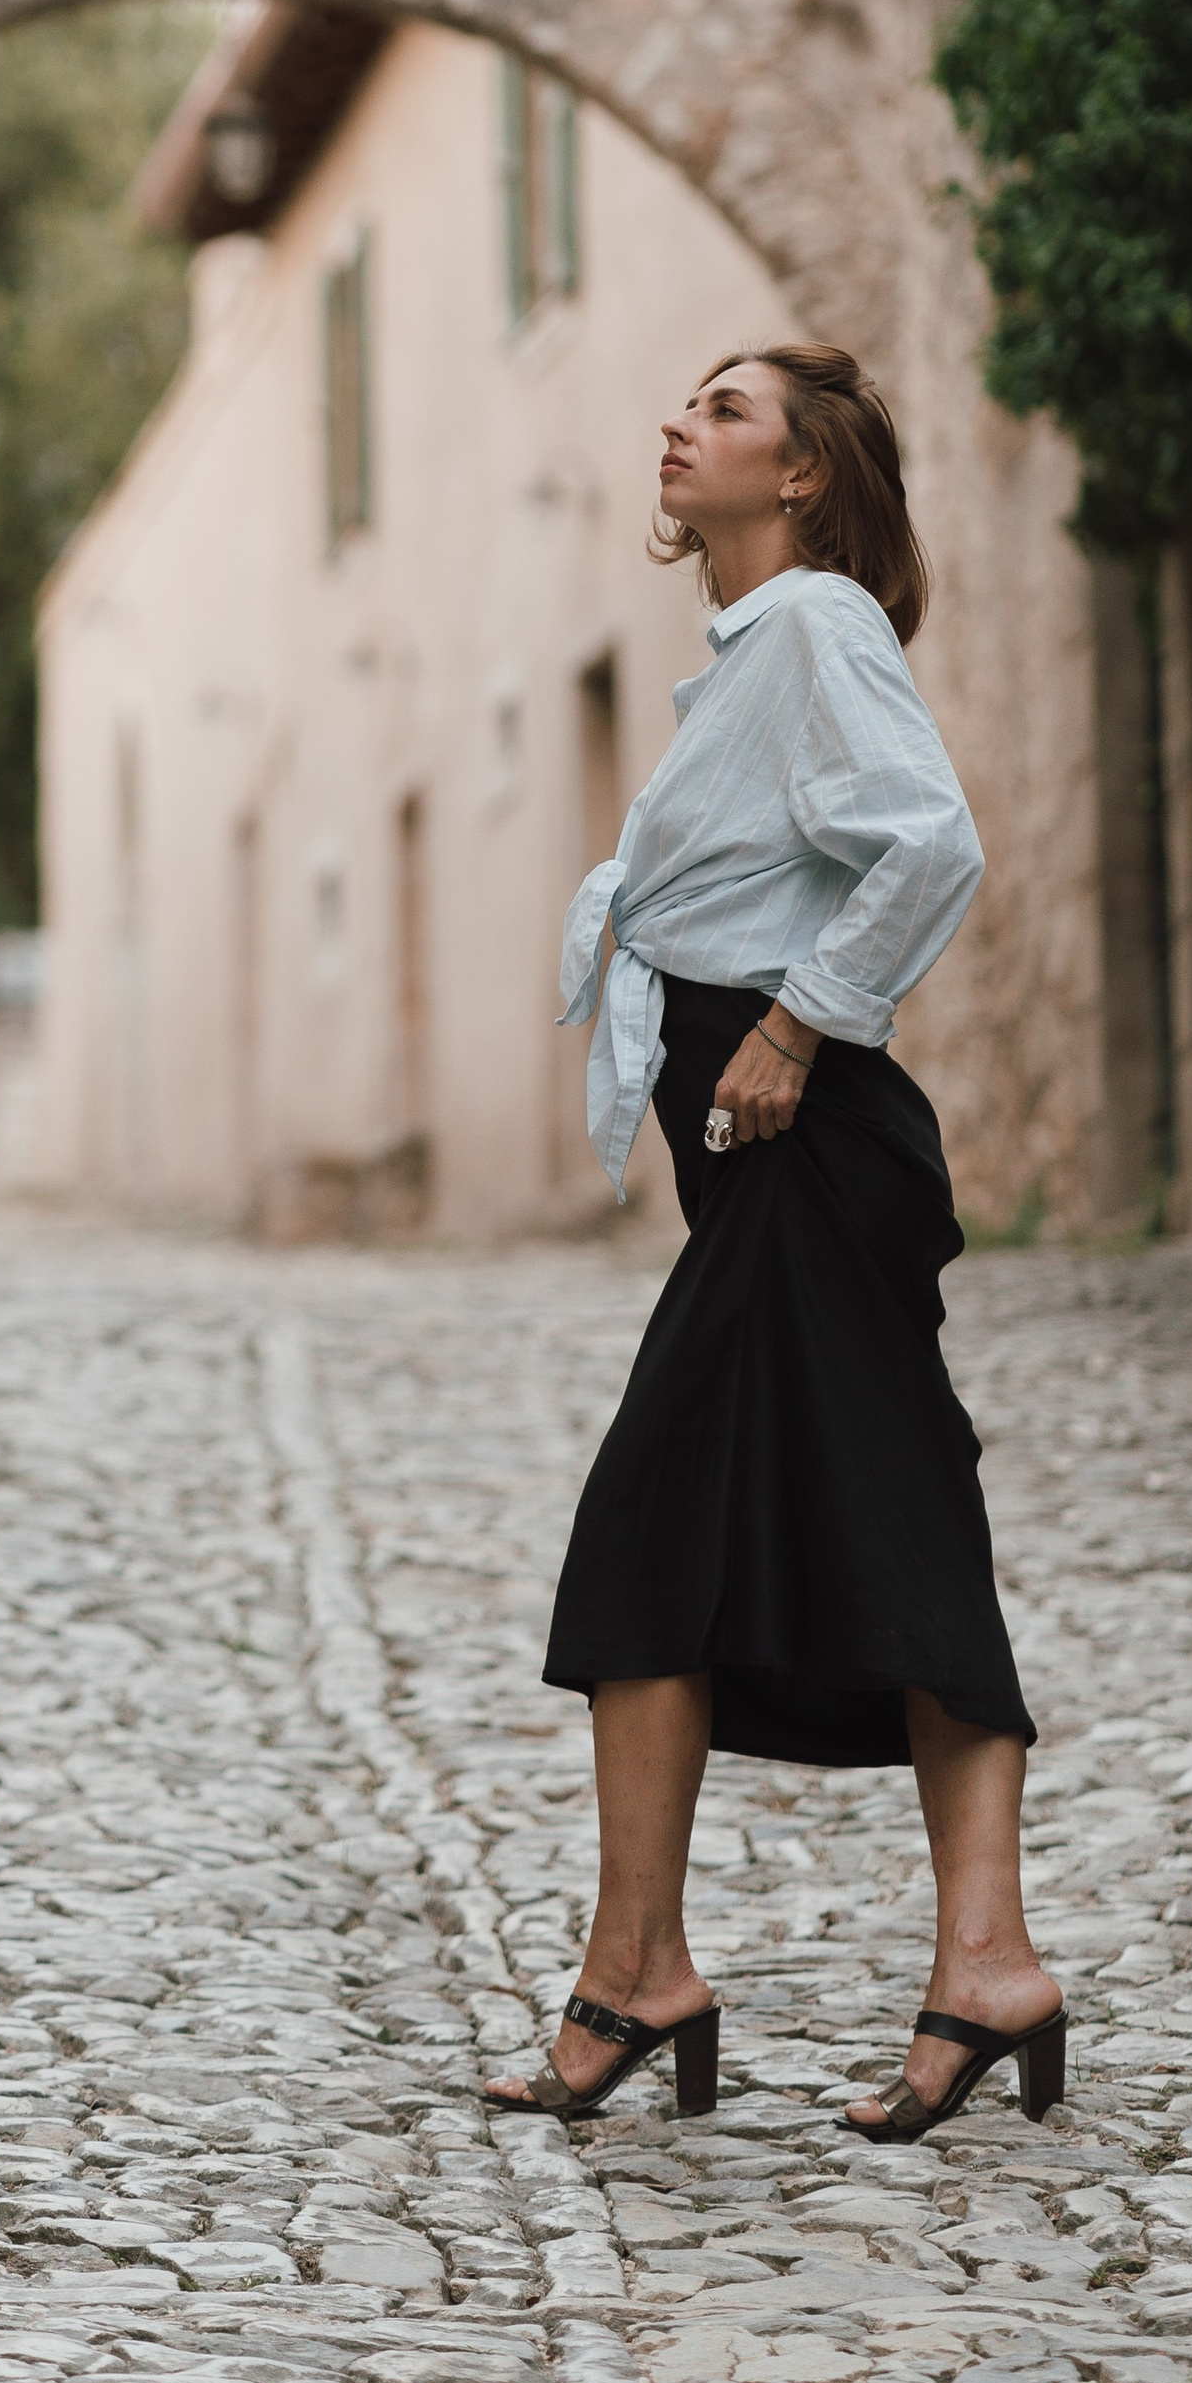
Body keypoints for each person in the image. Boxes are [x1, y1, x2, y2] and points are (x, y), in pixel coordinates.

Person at [481, 345, 1064, 2145]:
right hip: (772, 1168)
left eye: (726, 412)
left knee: (652, 1530)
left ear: (804, 478)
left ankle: (642, 1974)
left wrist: (801, 1023)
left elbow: (931, 842)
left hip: (811, 1149)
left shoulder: (815, 624)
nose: (682, 423)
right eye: (691, 404)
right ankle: (981, 1962)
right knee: (893, 1516)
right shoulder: (754, 654)